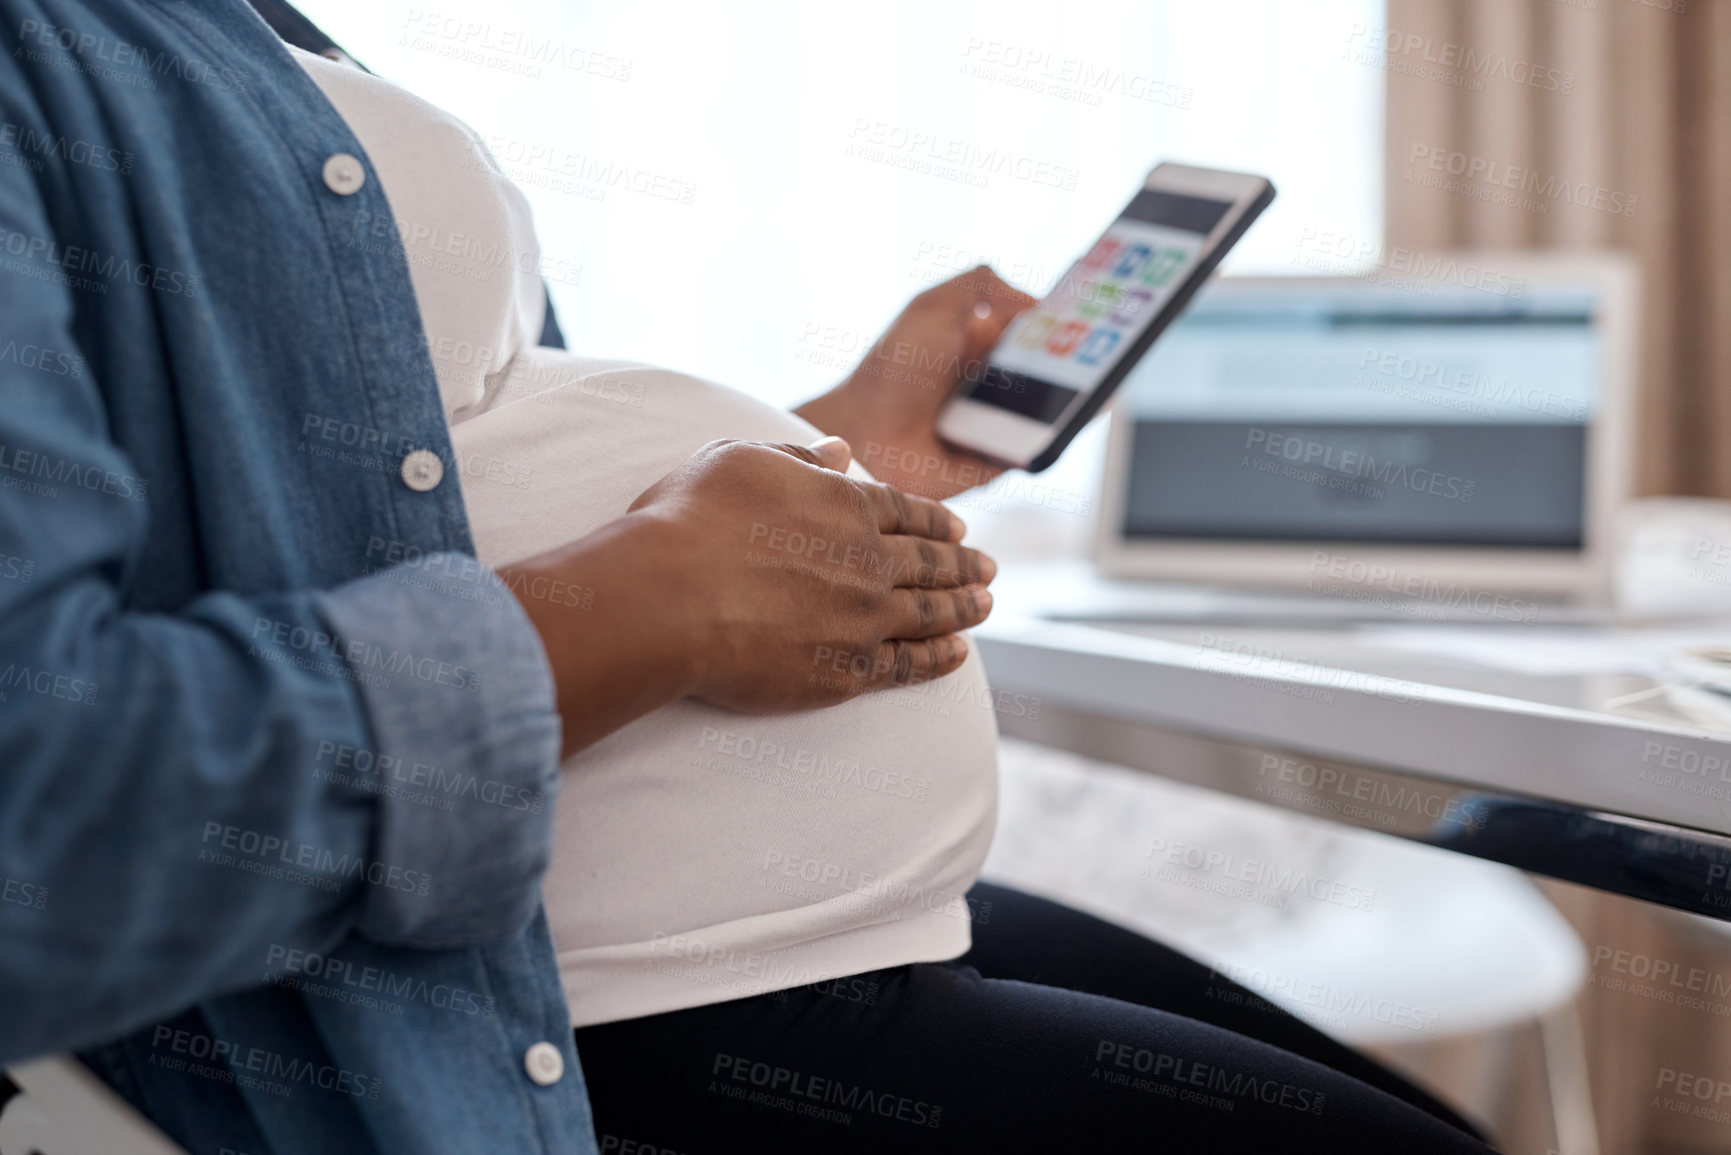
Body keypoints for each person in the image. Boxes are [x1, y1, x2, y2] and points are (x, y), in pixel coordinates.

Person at [290, 27, 1497, 1155]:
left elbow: (454, 481)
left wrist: (835, 446)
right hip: (576, 984)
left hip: (816, 930)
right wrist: (668, 590)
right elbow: (136, 727)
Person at [0, 4, 979, 1153]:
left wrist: (824, 477)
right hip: (454, 1022)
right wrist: (664, 598)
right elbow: (40, 804)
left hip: (812, 938)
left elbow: (414, 488)